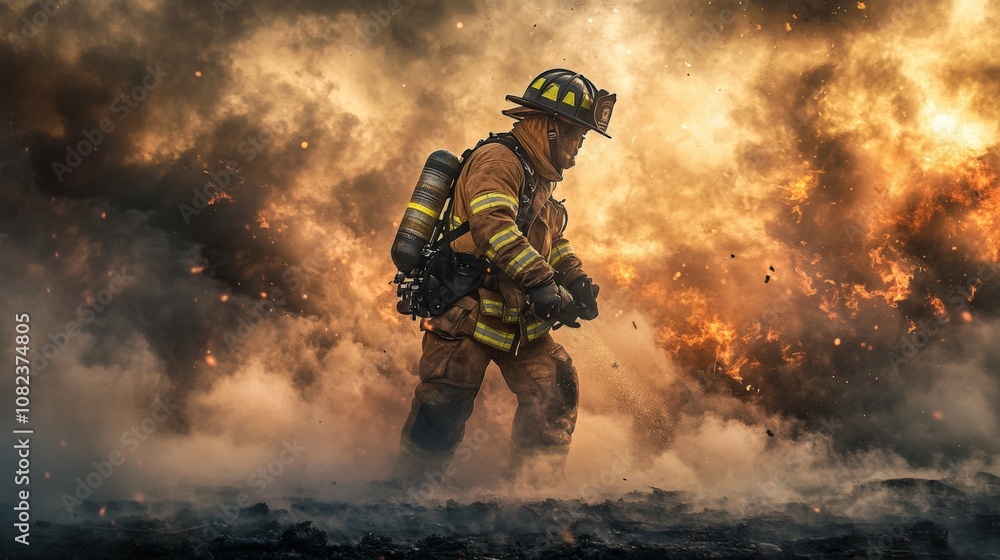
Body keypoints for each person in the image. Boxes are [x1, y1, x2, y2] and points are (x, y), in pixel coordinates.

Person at [398, 68, 616, 480]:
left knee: (556, 387)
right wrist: (543, 283)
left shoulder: (540, 176)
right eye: (574, 135)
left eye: (582, 138)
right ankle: (407, 499)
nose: (577, 147)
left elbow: (551, 237)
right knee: (443, 406)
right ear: (549, 127)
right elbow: (494, 227)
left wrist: (573, 277)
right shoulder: (499, 161)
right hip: (466, 312)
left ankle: (533, 495)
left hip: (518, 319)